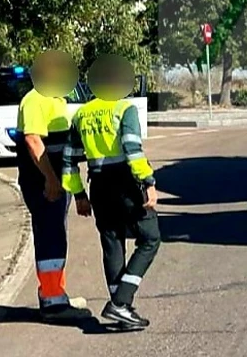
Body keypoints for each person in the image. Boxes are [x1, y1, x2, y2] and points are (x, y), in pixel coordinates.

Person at [62, 55, 160, 329]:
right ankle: (121, 302)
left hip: (99, 187)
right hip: (126, 184)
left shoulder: (81, 114)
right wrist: (149, 181)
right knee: (151, 238)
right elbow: (132, 149)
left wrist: (79, 195)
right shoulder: (123, 108)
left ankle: (122, 308)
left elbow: (69, 160)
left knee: (112, 243)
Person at [16, 51, 90, 320]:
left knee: (56, 235)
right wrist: (50, 179)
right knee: (50, 236)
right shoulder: (34, 100)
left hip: (56, 181)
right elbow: (34, 141)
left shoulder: (56, 100)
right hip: (44, 182)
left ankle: (56, 292)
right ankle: (52, 301)